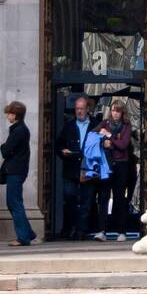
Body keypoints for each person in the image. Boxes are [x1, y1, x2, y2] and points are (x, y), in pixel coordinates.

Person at [55, 94, 98, 240]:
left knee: (86, 200)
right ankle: (69, 228)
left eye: (81, 109)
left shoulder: (95, 125)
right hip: (71, 168)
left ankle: (82, 230)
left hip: (88, 168)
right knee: (69, 198)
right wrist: (62, 151)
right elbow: (58, 144)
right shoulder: (68, 126)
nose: (79, 111)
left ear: (87, 109)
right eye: (77, 109)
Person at [0, 101, 37, 247]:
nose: (8, 116)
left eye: (9, 113)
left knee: (14, 203)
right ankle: (28, 233)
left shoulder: (19, 130)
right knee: (13, 202)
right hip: (17, 170)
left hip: (15, 171)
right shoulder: (20, 129)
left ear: (15, 115)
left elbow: (5, 150)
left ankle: (23, 237)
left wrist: (3, 146)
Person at [94, 99, 132, 242]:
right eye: (113, 110)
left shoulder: (127, 126)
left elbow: (123, 145)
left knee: (119, 198)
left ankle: (121, 231)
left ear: (122, 113)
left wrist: (110, 137)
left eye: (118, 111)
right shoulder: (105, 123)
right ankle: (101, 230)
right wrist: (103, 141)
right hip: (106, 164)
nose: (115, 113)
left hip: (121, 165)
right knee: (103, 197)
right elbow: (93, 135)